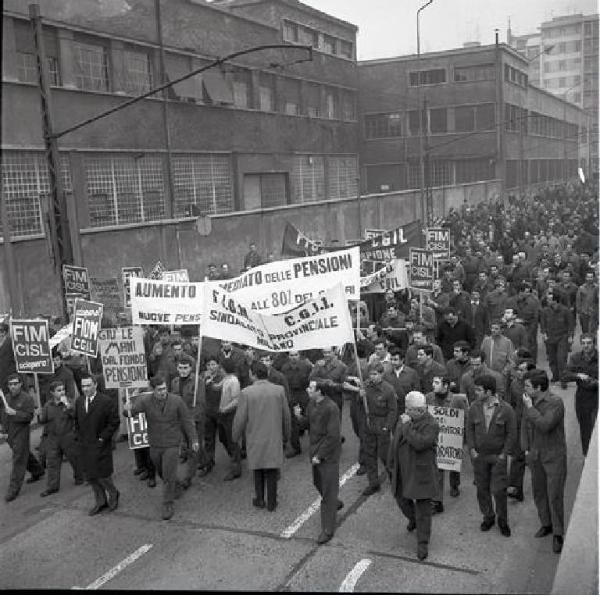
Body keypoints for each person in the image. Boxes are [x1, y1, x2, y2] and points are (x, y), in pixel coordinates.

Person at [125, 375, 198, 520]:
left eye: (164, 389)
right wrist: (127, 408)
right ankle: (175, 485)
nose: (163, 392)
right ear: (153, 390)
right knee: (162, 472)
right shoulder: (145, 401)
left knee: (168, 473)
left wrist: (194, 439)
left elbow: (187, 421)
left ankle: (167, 503)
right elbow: (132, 413)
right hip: (155, 444)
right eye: (159, 390)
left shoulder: (177, 401)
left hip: (172, 444)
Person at [387, 390, 439, 561]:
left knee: (423, 509)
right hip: (403, 468)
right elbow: (395, 442)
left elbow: (419, 443)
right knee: (401, 499)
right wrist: (391, 462)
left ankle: (422, 542)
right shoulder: (405, 419)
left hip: (421, 471)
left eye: (409, 409)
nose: (405, 411)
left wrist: (407, 425)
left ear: (420, 410)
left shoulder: (431, 424)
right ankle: (413, 518)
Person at [233, 362, 291, 511]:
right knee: (272, 469)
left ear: (253, 374)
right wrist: (287, 434)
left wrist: (235, 437)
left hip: (254, 437)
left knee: (257, 469)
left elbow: (240, 419)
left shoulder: (246, 393)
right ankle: (272, 502)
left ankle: (259, 499)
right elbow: (286, 416)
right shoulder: (279, 390)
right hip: (273, 436)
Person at [521, 369, 567, 554]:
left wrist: (530, 407)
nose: (524, 388)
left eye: (528, 386)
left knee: (554, 495)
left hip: (554, 455)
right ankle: (546, 524)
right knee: (539, 492)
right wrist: (525, 449)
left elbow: (545, 425)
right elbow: (525, 425)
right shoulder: (528, 401)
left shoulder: (555, 403)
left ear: (538, 387)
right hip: (535, 455)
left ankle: (558, 533)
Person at [467, 374, 516, 537]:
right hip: (479, 457)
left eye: (479, 390)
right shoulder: (474, 407)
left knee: (499, 490)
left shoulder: (506, 409)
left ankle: (503, 521)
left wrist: (504, 455)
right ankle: (488, 516)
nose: (476, 393)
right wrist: (472, 449)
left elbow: (511, 434)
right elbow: (469, 429)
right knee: (482, 489)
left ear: (489, 392)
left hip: (497, 457)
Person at [74, 373, 120, 516]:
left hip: (100, 444)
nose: (85, 389)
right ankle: (100, 501)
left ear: (95, 385)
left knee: (103, 475)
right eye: (83, 386)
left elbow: (114, 422)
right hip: (85, 444)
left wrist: (102, 438)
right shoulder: (79, 401)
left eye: (88, 385)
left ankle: (113, 493)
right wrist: (78, 437)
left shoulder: (106, 401)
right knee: (91, 476)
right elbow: (77, 421)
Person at [307, 380, 343, 545]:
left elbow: (333, 436)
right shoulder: (312, 404)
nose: (308, 389)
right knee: (318, 483)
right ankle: (335, 502)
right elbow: (309, 425)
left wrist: (320, 455)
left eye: (311, 388)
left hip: (327, 455)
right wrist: (298, 416)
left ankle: (327, 529)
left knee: (328, 492)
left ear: (319, 391)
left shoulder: (331, 408)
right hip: (314, 451)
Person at [425, 376, 468, 512]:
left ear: (446, 386)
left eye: (436, 383)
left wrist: (463, 437)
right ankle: (437, 502)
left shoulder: (458, 400)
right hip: (436, 439)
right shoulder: (428, 397)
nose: (433, 385)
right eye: (433, 382)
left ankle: (454, 484)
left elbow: (465, 418)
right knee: (438, 468)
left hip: (453, 440)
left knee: (453, 465)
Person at [0, 374, 45, 501]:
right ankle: (37, 471)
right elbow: (4, 417)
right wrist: (3, 430)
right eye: (10, 384)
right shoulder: (7, 398)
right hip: (10, 433)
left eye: (15, 383)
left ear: (20, 384)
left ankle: (13, 489)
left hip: (21, 432)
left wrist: (15, 413)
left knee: (19, 458)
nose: (13, 386)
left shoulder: (27, 399)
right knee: (23, 453)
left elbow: (29, 417)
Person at [37, 380, 84, 496]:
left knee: (74, 458)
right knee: (52, 462)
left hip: (68, 436)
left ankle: (80, 477)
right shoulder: (48, 405)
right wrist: (38, 415)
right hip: (53, 438)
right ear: (52, 393)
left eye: (63, 389)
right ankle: (52, 487)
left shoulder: (70, 402)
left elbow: (75, 415)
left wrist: (67, 405)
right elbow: (43, 421)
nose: (62, 392)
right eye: (59, 390)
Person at [359, 363, 397, 497]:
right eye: (371, 374)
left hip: (382, 423)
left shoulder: (388, 389)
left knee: (385, 455)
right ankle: (373, 483)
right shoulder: (366, 386)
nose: (372, 377)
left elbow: (393, 410)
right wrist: (360, 395)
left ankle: (395, 479)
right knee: (369, 455)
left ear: (381, 374)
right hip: (369, 423)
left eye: (375, 374)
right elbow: (360, 406)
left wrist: (387, 426)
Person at [170, 355, 205, 489]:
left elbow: (201, 403)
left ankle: (188, 478)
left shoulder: (198, 381)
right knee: (187, 445)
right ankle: (206, 460)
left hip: (194, 420)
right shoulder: (175, 382)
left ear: (191, 368)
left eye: (185, 368)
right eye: (180, 368)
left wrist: (192, 420)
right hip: (180, 420)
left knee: (194, 447)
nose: (183, 370)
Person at [564, 333, 599, 456]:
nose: (586, 346)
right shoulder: (575, 357)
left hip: (597, 396)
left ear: (594, 344)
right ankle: (587, 456)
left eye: (589, 343)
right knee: (585, 429)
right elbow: (565, 375)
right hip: (582, 398)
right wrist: (578, 375)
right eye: (583, 343)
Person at [506, 360, 536, 502]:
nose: (519, 372)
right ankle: (515, 488)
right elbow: (511, 404)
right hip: (519, 425)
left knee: (534, 460)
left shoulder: (537, 386)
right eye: (518, 369)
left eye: (523, 370)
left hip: (535, 426)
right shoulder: (514, 384)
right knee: (517, 457)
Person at [280, 350, 312, 458]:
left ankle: (315, 445)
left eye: (296, 355)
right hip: (291, 394)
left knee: (310, 419)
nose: (293, 357)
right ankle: (295, 447)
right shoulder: (284, 368)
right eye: (291, 355)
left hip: (304, 393)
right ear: (288, 356)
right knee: (292, 422)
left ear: (299, 355)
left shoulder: (306, 366)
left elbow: (311, 379)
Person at [540, 291, 574, 386]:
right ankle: (555, 376)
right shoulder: (545, 311)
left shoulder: (565, 310)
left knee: (561, 358)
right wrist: (543, 333)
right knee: (552, 359)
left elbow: (571, 324)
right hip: (550, 338)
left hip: (562, 337)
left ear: (555, 300)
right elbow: (543, 324)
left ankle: (563, 379)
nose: (547, 300)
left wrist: (570, 336)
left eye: (549, 299)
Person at [383, 347, 419, 417]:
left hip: (408, 410)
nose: (393, 362)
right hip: (391, 411)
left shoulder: (412, 373)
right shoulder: (386, 374)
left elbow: (416, 391)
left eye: (395, 360)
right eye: (391, 359)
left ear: (402, 360)